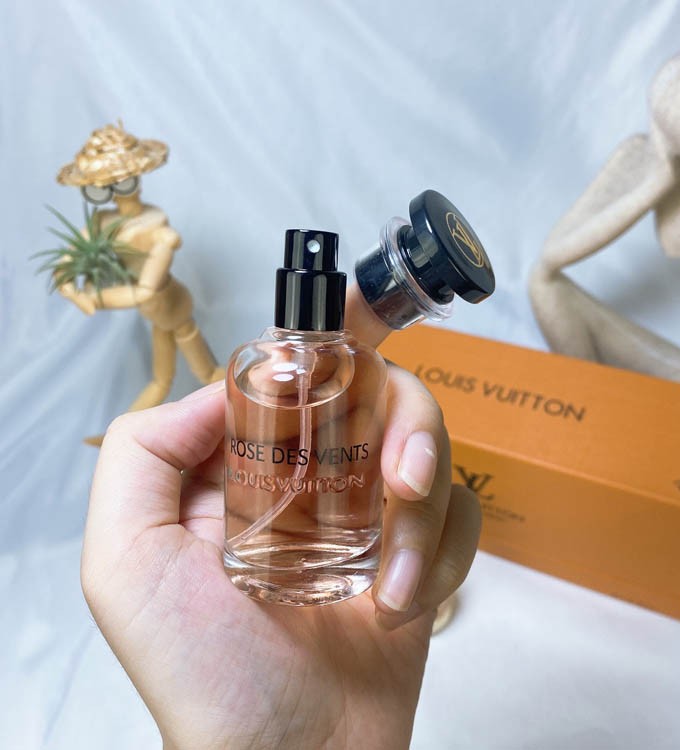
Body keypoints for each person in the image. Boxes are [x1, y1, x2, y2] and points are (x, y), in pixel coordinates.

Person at [81, 284, 482, 750]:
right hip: (255, 573)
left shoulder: (351, 367)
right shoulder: (253, 366)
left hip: (349, 584)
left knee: (374, 403)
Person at [528, 50, 680, 438]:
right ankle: (592, 410)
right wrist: (652, 187)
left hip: (668, 372)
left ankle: (605, 411)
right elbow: (550, 260)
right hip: (603, 342)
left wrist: (664, 392)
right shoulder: (638, 157)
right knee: (542, 285)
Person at [56, 123, 225, 444]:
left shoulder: (157, 226)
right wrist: (70, 287)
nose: (115, 192)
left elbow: (147, 289)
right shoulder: (103, 222)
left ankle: (247, 412)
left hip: (170, 303)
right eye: (102, 188)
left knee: (205, 374)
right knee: (161, 380)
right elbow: (68, 260)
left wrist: (96, 298)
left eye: (121, 183)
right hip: (155, 310)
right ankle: (119, 434)